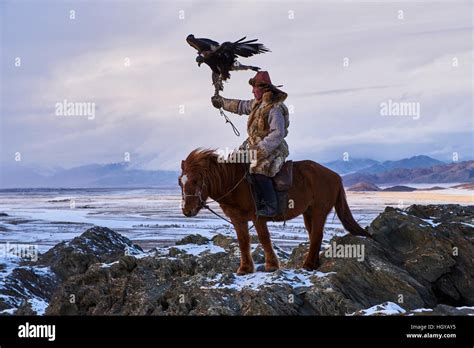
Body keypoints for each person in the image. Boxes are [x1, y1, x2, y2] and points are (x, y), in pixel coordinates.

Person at [211, 71, 289, 217]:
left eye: (255, 88)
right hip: (253, 145)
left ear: (264, 89)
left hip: (273, 148)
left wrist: (260, 150)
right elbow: (241, 106)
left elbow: (277, 134)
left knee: (258, 169)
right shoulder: (257, 104)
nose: (252, 91)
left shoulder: (275, 108)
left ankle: (271, 206)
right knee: (233, 162)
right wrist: (222, 102)